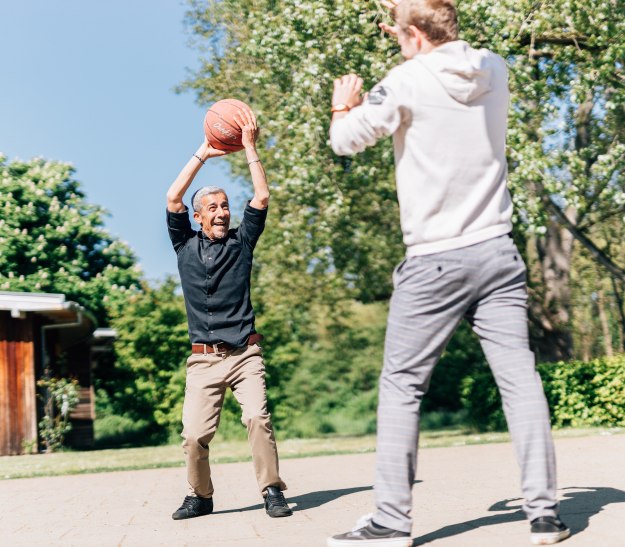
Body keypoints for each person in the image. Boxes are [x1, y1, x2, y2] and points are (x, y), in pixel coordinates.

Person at [326, 0, 570, 545]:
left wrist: (345, 107)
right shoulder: (494, 67)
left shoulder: (405, 81)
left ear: (412, 33)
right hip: (497, 252)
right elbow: (432, 36)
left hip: (435, 259)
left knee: (402, 385)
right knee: (520, 383)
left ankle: (390, 521)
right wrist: (410, 14)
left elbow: (345, 142)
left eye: (398, 31)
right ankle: (544, 514)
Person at [166, 107, 292, 520]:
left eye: (225, 206)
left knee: (257, 416)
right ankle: (200, 497)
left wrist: (250, 147)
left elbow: (262, 197)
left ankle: (272, 491)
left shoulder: (242, 243)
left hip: (244, 355)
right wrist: (202, 152)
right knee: (193, 436)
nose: (222, 212)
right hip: (203, 360)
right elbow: (173, 197)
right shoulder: (184, 246)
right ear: (198, 217)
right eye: (213, 208)